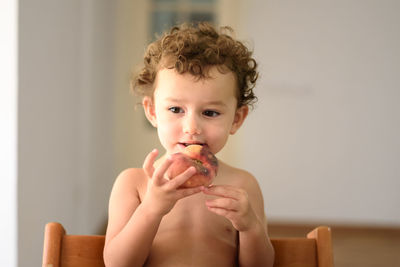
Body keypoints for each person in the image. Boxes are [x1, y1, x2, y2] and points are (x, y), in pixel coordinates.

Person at [103, 22, 274, 267]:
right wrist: (151, 209)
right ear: (151, 112)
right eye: (175, 109)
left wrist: (250, 229)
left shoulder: (243, 186)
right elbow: (117, 264)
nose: (192, 127)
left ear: (236, 119)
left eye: (210, 112)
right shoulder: (135, 184)